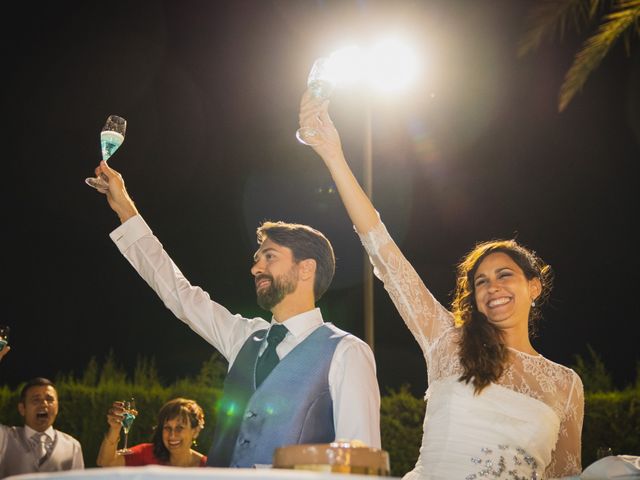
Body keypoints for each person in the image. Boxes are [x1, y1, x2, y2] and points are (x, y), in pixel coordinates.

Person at [298, 91, 584, 479]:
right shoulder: (448, 341)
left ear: (534, 287)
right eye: (481, 281)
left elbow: (566, 475)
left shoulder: (566, 385)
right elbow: (383, 250)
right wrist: (333, 155)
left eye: (505, 276)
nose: (492, 287)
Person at [90, 160, 381, 468]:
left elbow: (361, 464)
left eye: (269, 257)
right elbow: (179, 295)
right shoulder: (244, 336)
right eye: (257, 259)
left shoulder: (347, 352)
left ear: (306, 268)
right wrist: (125, 210)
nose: (256, 268)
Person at [0, 376, 84, 478]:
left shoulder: (72, 447)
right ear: (22, 408)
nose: (44, 404)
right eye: (36, 400)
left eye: (49, 399)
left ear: (57, 407)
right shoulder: (5, 439)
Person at [97, 397, 206, 467]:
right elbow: (106, 462)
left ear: (195, 431)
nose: (172, 435)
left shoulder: (207, 467)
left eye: (179, 428)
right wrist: (115, 428)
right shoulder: (147, 454)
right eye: (167, 428)